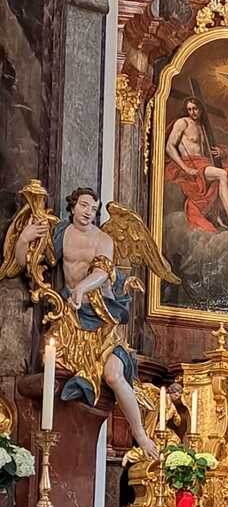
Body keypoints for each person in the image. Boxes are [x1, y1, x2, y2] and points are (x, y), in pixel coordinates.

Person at [14, 188, 158, 459]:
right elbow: (28, 265)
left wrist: (81, 288)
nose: (88, 212)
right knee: (50, 365)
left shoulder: (104, 239)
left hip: (101, 320)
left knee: (113, 375)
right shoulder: (61, 234)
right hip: (71, 318)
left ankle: (140, 434)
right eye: (83, 205)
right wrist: (24, 238)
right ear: (72, 207)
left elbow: (102, 271)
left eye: (93, 208)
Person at [165, 97, 228, 235]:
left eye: (195, 109)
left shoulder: (202, 126)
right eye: (189, 109)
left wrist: (220, 152)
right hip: (190, 163)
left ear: (200, 109)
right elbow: (169, 147)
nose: (192, 112)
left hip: (203, 162)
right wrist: (186, 168)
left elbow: (204, 151)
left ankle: (216, 213)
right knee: (222, 174)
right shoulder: (183, 123)